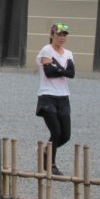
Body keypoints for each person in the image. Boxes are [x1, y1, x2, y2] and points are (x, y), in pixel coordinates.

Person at [35, 21, 74, 176]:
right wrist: (62, 69)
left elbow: (71, 73)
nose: (62, 37)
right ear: (52, 35)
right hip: (47, 95)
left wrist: (56, 67)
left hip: (63, 96)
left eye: (64, 35)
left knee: (66, 135)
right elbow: (49, 73)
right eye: (59, 34)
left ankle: (46, 150)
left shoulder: (69, 53)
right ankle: (51, 164)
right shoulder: (46, 50)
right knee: (56, 132)